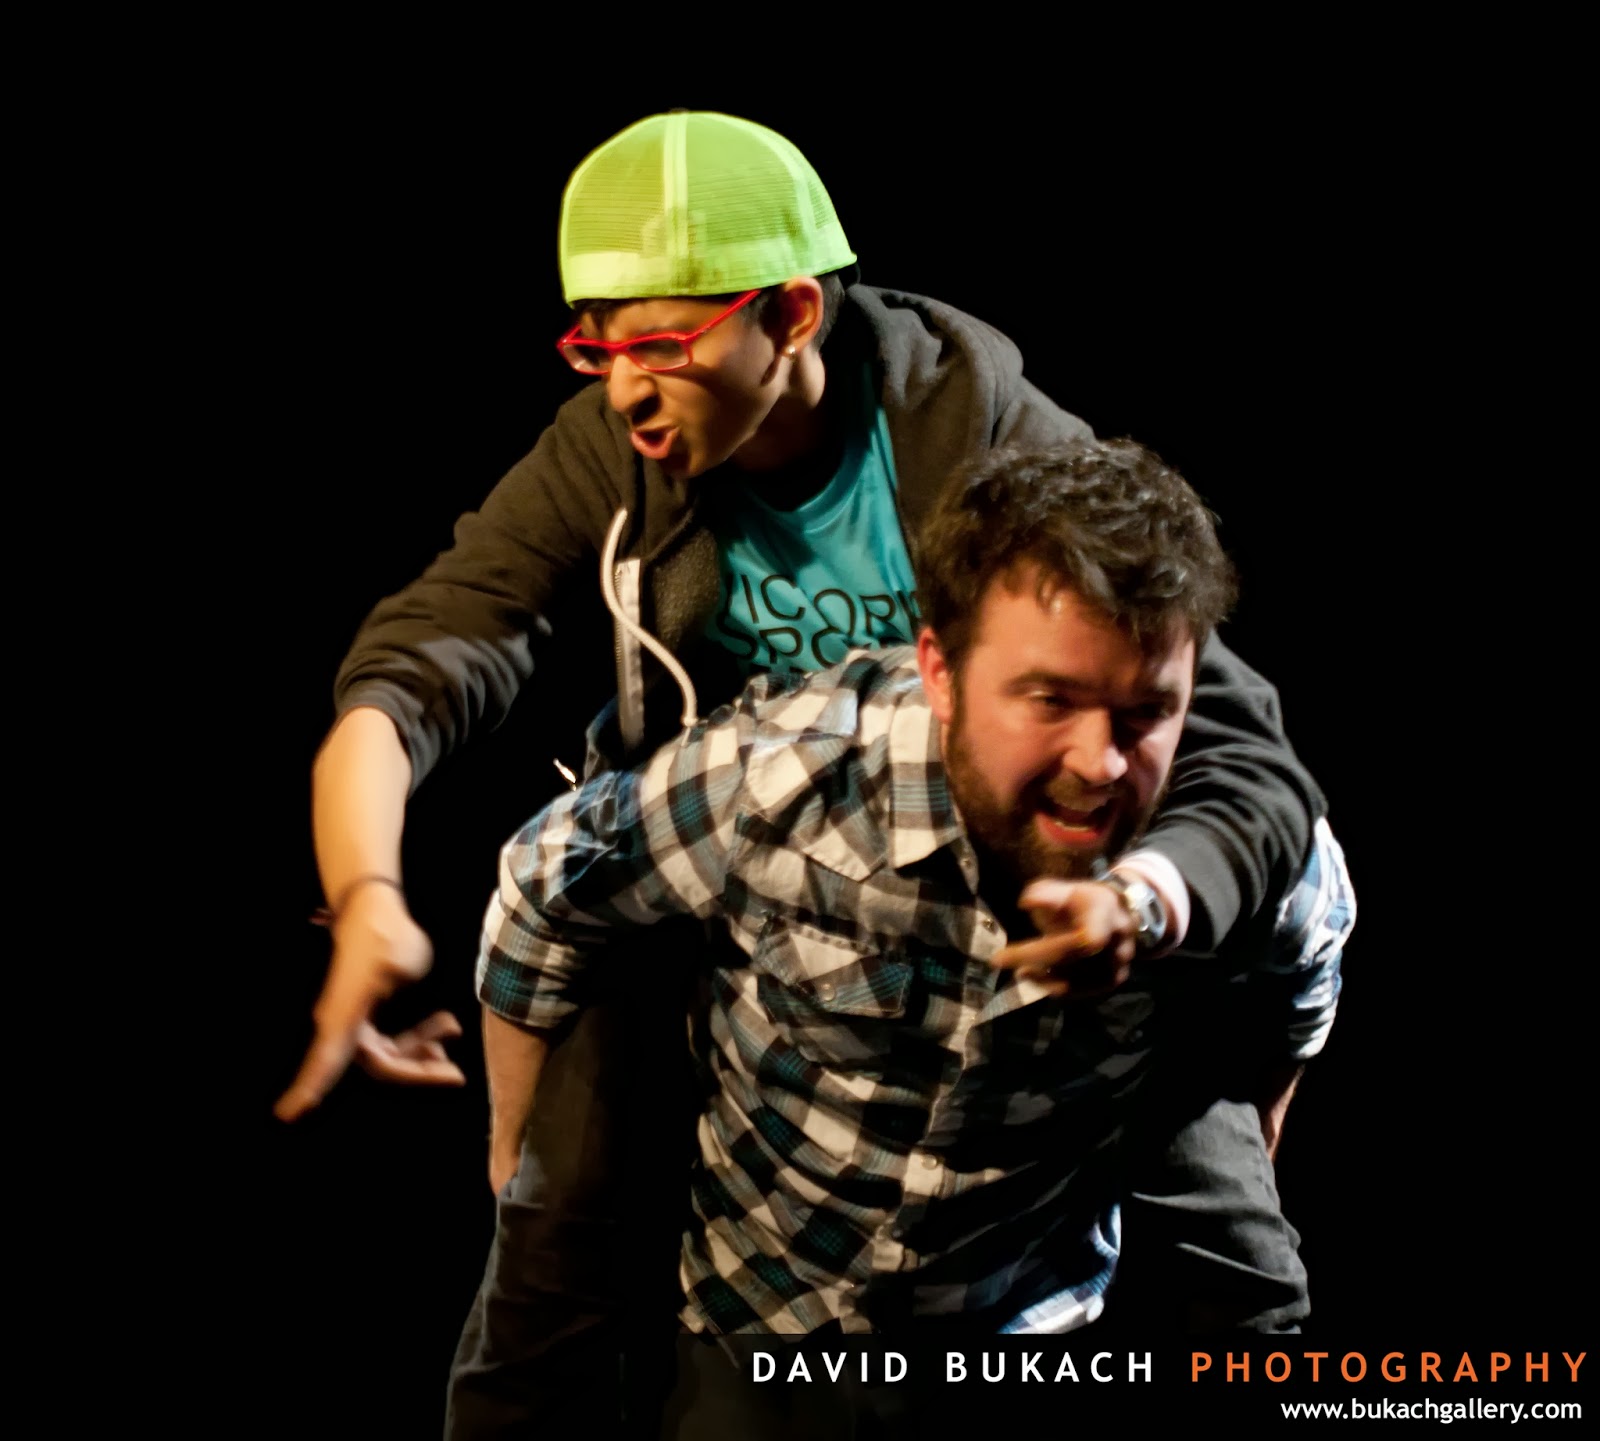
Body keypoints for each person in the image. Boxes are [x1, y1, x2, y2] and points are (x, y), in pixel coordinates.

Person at [272, 111, 1346, 1432]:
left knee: (1235, 1251)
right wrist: (368, 893)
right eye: (597, 347)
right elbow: (423, 662)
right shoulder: (616, 448)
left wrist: (1151, 903)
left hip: (999, 867)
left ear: (788, 314)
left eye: (661, 346)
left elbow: (1241, 748)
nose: (623, 387)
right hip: (721, 865)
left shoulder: (976, 430)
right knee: (552, 1232)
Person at [472, 439, 1350, 1437]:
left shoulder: (1234, 852)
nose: (1101, 763)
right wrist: (514, 1149)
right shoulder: (784, 781)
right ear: (939, 669)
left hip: (1022, 1336)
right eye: (1050, 699)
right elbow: (547, 882)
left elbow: (1306, 964)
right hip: (763, 1333)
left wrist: (1258, 1121)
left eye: (1147, 712)